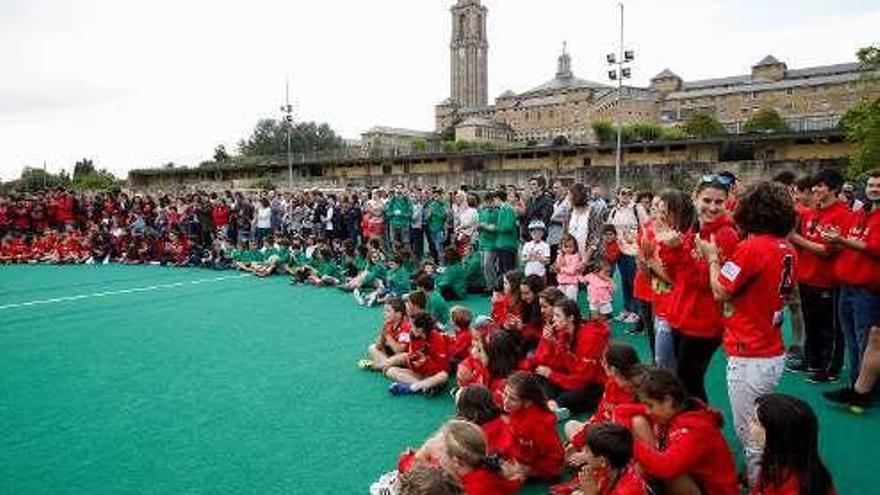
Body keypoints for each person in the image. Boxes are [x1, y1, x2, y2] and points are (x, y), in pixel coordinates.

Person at [698, 181, 798, 487]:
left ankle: (761, 484)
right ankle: (768, 476)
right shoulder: (787, 246)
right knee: (764, 423)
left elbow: (720, 291)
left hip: (750, 351)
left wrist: (712, 257)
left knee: (751, 433)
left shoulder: (752, 247)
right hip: (770, 346)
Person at [659, 176, 739, 403]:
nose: (712, 207)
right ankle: (689, 426)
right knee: (682, 378)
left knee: (690, 380)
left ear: (727, 202)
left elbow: (706, 282)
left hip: (704, 323)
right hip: (682, 315)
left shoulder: (726, 235)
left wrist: (679, 252)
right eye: (707, 200)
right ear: (695, 199)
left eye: (719, 202)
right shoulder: (694, 230)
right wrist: (671, 248)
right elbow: (675, 275)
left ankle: (701, 428)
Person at [627, 368, 738, 495]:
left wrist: (629, 442)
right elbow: (629, 410)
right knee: (638, 422)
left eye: (650, 405)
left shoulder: (695, 429)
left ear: (668, 401)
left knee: (673, 475)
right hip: (695, 480)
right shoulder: (676, 410)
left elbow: (666, 468)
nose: (647, 410)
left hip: (715, 491)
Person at [790, 168, 850, 383]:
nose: (815, 189)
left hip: (828, 281)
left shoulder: (843, 214)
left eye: (820, 185)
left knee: (828, 327)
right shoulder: (810, 212)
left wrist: (795, 238)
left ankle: (828, 368)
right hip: (807, 278)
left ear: (833, 189)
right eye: (814, 185)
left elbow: (827, 250)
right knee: (811, 322)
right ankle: (811, 360)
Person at [823, 168, 880, 390]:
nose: (874, 189)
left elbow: (874, 248)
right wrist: (834, 238)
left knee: (865, 341)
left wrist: (841, 240)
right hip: (847, 287)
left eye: (878, 186)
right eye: (871, 185)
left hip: (868, 290)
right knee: (852, 340)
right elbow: (845, 239)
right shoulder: (860, 213)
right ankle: (855, 384)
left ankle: (864, 390)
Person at [533, 299, 609, 415]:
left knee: (573, 395)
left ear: (571, 318)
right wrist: (547, 342)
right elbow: (544, 361)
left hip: (593, 384)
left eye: (557, 316)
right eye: (554, 315)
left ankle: (554, 403)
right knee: (539, 375)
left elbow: (583, 380)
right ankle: (554, 404)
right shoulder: (563, 332)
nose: (553, 319)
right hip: (573, 377)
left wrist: (552, 374)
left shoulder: (590, 338)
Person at [748, 394, 835, 495]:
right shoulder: (779, 462)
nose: (749, 424)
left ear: (777, 435)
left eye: (755, 421)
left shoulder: (793, 487)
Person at [502, 371, 565, 481]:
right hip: (523, 460)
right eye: (505, 394)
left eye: (512, 399)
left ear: (527, 402)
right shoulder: (518, 410)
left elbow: (555, 459)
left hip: (541, 468)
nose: (505, 401)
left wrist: (527, 469)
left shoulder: (538, 424)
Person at [384, 312, 450, 396]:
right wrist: (414, 361)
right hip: (420, 374)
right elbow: (413, 364)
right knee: (390, 371)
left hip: (434, 376)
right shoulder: (413, 336)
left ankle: (413, 387)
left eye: (412, 326)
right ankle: (424, 387)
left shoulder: (437, 339)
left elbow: (443, 368)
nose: (410, 329)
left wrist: (425, 361)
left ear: (421, 329)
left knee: (444, 376)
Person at [571, 423, 647, 495]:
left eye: (587, 451)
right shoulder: (613, 468)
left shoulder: (625, 491)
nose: (583, 454)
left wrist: (591, 493)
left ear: (603, 461)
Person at [607, 187, 643, 324]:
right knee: (624, 280)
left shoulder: (636, 209)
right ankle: (627, 309)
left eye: (629, 193)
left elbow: (645, 225)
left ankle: (635, 311)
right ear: (618, 195)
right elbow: (610, 227)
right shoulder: (614, 210)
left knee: (633, 280)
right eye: (623, 193)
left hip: (633, 250)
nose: (626, 196)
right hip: (619, 249)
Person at [555, 233, 584, 301]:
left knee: (570, 300)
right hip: (561, 282)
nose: (568, 249)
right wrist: (560, 256)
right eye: (565, 246)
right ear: (561, 247)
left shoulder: (575, 256)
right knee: (559, 300)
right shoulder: (561, 256)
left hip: (572, 283)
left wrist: (561, 269)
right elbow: (557, 267)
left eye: (571, 246)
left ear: (575, 247)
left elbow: (572, 270)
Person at [386, 183, 414, 251]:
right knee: (394, 244)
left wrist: (402, 213)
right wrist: (394, 213)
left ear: (403, 189)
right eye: (397, 188)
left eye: (400, 188)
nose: (399, 190)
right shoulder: (392, 200)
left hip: (404, 225)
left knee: (406, 244)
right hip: (393, 224)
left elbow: (410, 213)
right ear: (395, 189)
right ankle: (396, 259)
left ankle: (406, 260)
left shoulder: (407, 200)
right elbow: (387, 213)